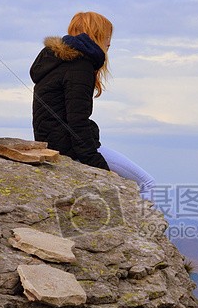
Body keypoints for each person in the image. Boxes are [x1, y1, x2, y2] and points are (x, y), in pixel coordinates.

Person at [30, 11, 155, 195]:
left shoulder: (54, 63)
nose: (109, 43)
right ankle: (143, 224)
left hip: (53, 144)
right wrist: (100, 168)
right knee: (147, 184)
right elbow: (77, 123)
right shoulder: (80, 66)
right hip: (72, 149)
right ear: (95, 35)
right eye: (107, 37)